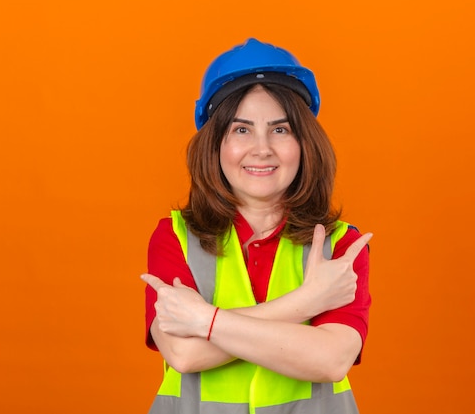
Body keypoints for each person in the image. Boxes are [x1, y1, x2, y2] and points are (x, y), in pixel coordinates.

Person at [141, 37, 372, 414]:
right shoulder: (174, 237)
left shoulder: (342, 245)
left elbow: (330, 360)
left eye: (280, 130)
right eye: (241, 130)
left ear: (304, 144)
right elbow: (182, 352)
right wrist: (306, 303)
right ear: (215, 145)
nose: (261, 148)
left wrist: (204, 320)